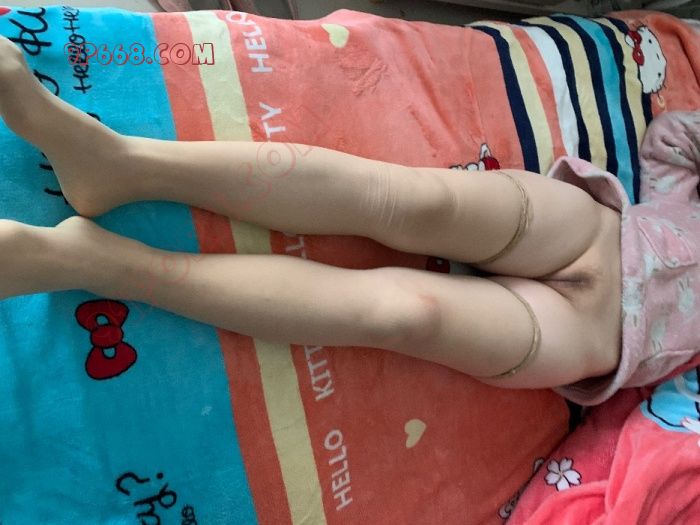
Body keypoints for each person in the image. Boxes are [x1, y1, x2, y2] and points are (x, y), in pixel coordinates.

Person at [0, 35, 697, 405]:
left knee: (406, 314)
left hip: (593, 339)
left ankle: (93, 262)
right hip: (596, 230)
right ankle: (115, 163)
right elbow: (673, 140)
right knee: (415, 201)